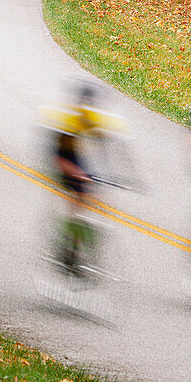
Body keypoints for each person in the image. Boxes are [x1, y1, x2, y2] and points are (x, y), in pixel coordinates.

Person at [45, 81, 123, 276]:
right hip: (63, 158)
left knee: (94, 200)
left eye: (90, 103)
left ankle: (80, 242)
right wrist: (78, 175)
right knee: (77, 205)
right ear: (79, 102)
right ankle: (68, 251)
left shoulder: (94, 119)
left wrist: (116, 176)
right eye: (84, 103)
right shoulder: (67, 121)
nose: (86, 107)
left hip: (80, 157)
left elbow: (106, 150)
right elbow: (59, 158)